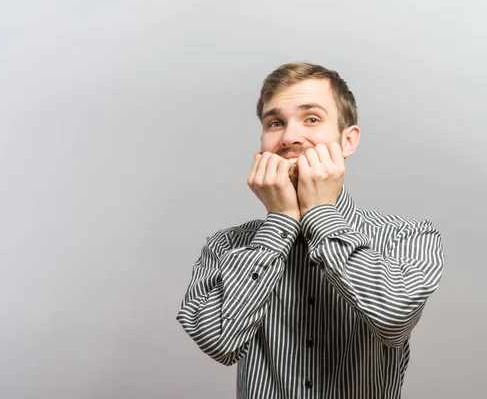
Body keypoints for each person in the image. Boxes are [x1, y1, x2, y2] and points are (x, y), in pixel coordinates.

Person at [176, 62, 445, 399]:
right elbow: (219, 341)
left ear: (348, 141)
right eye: (275, 123)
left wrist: (320, 213)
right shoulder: (226, 245)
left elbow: (394, 320)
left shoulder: (406, 235)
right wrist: (280, 222)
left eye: (312, 119)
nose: (289, 137)